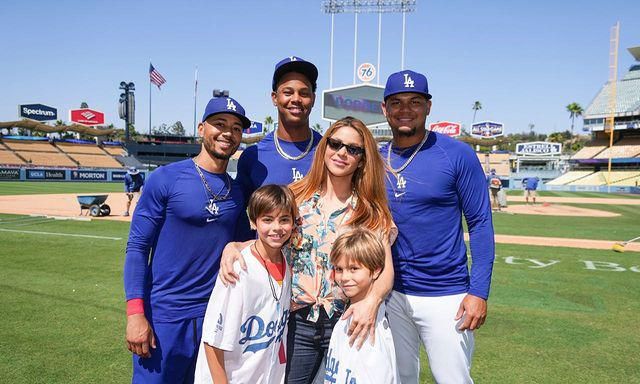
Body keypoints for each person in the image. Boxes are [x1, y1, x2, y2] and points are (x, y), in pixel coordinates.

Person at [221, 117, 396, 384]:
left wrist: (371, 303)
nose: (341, 153)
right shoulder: (295, 197)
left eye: (353, 149)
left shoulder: (370, 212)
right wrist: (235, 246)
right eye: (335, 144)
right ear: (324, 148)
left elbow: (385, 271)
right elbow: (269, 239)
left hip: (347, 318)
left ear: (362, 159)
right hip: (296, 321)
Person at [380, 69, 495, 384]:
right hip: (390, 293)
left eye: (415, 101)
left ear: (428, 107)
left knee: (452, 379)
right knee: (399, 378)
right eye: (397, 102)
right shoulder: (375, 158)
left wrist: (479, 291)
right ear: (384, 109)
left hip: (446, 295)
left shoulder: (457, 154)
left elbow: (481, 222)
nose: (406, 110)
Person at [123, 96, 250, 383]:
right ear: (202, 128)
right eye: (220, 124)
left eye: (236, 128)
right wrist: (135, 314)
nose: (228, 133)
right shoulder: (165, 178)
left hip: (215, 315)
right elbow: (137, 248)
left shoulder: (236, 191)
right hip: (166, 316)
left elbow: (246, 245)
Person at [194, 184, 297, 384]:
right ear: (253, 222)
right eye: (267, 220)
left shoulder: (286, 262)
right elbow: (212, 341)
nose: (277, 227)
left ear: (293, 223)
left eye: (284, 219)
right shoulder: (237, 269)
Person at [236, 56, 322, 212]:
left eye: (304, 93)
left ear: (313, 99)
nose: (296, 99)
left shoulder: (329, 152)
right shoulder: (254, 156)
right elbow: (238, 215)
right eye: (288, 92)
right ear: (274, 98)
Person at [325, 228, 399, 384]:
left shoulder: (369, 330)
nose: (344, 277)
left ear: (376, 270)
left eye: (354, 269)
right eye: (339, 269)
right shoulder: (348, 317)